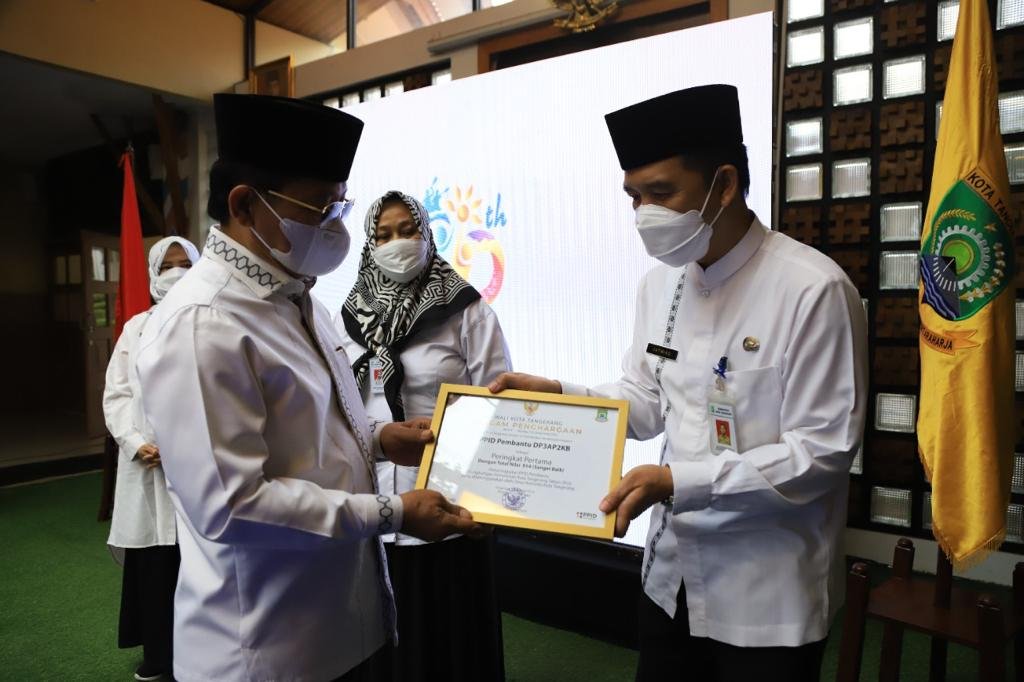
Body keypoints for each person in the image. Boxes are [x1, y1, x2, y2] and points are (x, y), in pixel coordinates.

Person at [489, 84, 868, 681]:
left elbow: (820, 454)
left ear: (724, 184)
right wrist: (560, 397)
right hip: (670, 577)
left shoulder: (812, 289)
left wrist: (675, 481)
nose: (645, 213)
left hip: (765, 594)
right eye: (634, 197)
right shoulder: (660, 284)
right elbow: (645, 402)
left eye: (661, 193)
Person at [134, 94, 481, 682]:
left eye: (339, 204)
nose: (336, 226)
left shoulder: (299, 297)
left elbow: (310, 428)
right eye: (320, 206)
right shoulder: (203, 324)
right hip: (266, 649)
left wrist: (380, 439)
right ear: (245, 204)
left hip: (342, 624)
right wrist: (393, 511)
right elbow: (232, 507)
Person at [336, 190, 511, 681]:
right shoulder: (348, 318)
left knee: (450, 638)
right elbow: (340, 406)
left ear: (427, 234)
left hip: (449, 504)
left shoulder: (466, 310)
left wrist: (489, 498)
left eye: (407, 230)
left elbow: (498, 407)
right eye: (384, 235)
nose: (397, 243)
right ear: (370, 245)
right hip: (374, 504)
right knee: (383, 643)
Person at [104, 236, 199, 681]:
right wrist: (135, 441)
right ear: (152, 274)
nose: (176, 273)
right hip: (146, 466)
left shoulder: (209, 323)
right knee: (156, 564)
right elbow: (117, 393)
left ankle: (199, 655)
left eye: (185, 264)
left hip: (196, 467)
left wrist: (187, 444)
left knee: (196, 564)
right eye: (166, 266)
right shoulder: (135, 329)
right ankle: (160, 656)